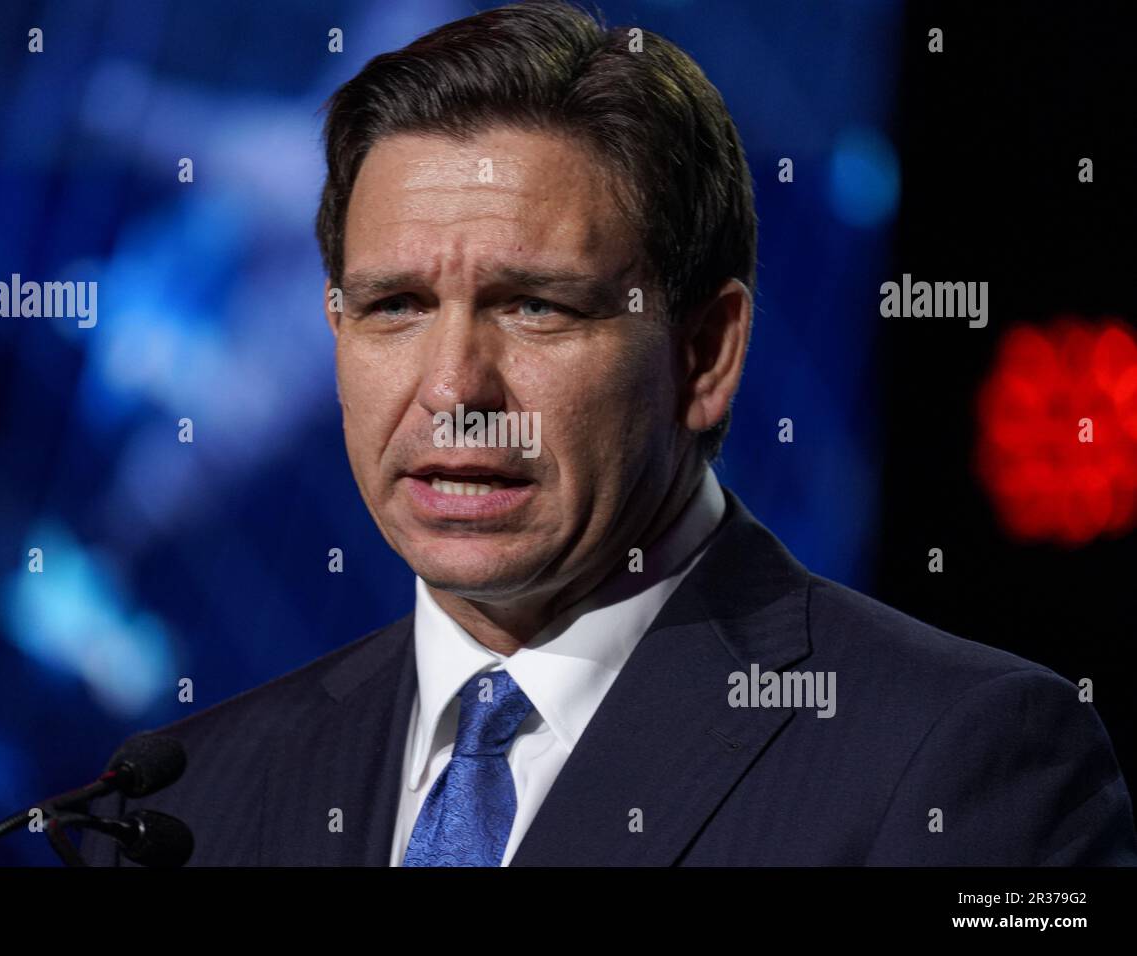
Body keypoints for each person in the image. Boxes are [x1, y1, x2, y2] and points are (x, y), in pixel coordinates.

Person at [81, 0, 1137, 866]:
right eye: (394, 304)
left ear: (705, 354)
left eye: (537, 306)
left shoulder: (959, 762)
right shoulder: (193, 800)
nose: (451, 387)